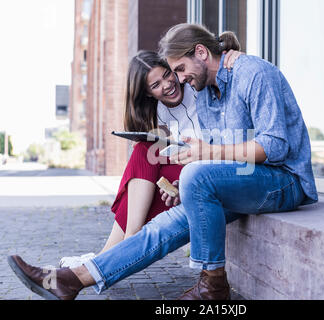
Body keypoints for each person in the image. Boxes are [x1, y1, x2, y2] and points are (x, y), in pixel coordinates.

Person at [7, 24, 318, 300]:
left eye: (180, 69)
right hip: (246, 179)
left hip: (284, 181)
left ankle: (212, 286)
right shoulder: (207, 91)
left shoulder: (254, 73)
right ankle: (70, 280)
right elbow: (223, 156)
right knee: (163, 226)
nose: (179, 80)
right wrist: (193, 183)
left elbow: (275, 147)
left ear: (200, 52)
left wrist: (207, 157)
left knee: (197, 175)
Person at [58, 49, 242, 268]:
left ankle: (115, 253)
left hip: (215, 164)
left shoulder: (195, 84)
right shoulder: (160, 111)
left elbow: (212, 59)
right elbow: (172, 152)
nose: (167, 85)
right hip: (191, 163)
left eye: (167, 75)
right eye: (155, 85)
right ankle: (108, 256)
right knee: (145, 162)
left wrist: (233, 55)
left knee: (145, 154)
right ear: (147, 93)